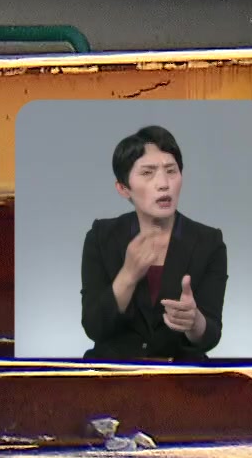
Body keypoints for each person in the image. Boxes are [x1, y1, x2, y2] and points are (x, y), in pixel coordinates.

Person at [79, 124, 227, 361]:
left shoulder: (208, 242)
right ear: (123, 188)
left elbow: (211, 335)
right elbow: (94, 327)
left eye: (171, 171)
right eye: (148, 173)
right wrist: (127, 275)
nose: (163, 183)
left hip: (182, 382)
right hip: (113, 378)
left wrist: (194, 322)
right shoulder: (101, 236)